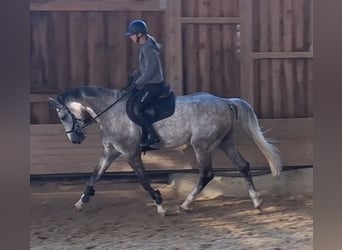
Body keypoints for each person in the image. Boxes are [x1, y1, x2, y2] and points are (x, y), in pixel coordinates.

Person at [125, 19, 170, 147]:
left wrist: (137, 83)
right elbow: (144, 68)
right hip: (149, 83)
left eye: (132, 35)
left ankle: (153, 136)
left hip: (154, 85)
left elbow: (150, 71)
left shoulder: (148, 49)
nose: (131, 37)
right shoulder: (145, 46)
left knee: (137, 108)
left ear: (140, 35)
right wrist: (133, 76)